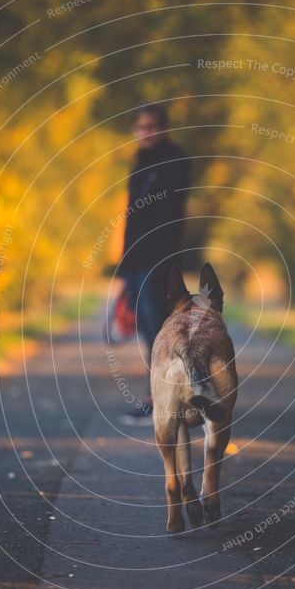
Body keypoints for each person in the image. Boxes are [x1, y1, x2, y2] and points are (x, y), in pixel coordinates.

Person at [118, 103, 190, 425]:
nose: (144, 133)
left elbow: (173, 217)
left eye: (150, 126)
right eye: (140, 127)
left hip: (157, 262)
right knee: (149, 333)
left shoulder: (175, 161)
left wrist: (163, 263)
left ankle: (172, 401)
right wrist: (124, 266)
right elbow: (131, 219)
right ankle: (159, 398)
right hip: (136, 261)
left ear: (162, 127)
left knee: (162, 332)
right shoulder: (140, 163)